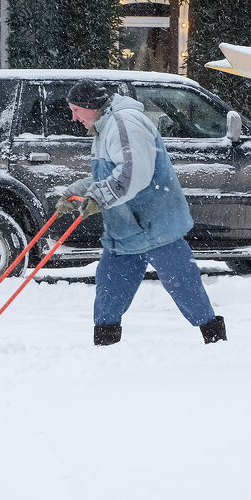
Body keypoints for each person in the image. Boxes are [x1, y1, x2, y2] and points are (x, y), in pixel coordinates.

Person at [55, 81, 226, 346]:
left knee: (185, 288)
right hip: (126, 230)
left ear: (92, 105)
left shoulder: (125, 123)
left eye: (77, 110)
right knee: (109, 290)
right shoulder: (105, 126)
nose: (74, 117)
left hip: (156, 227)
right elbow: (110, 173)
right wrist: (76, 192)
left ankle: (217, 346)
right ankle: (104, 353)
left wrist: (98, 198)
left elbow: (134, 175)